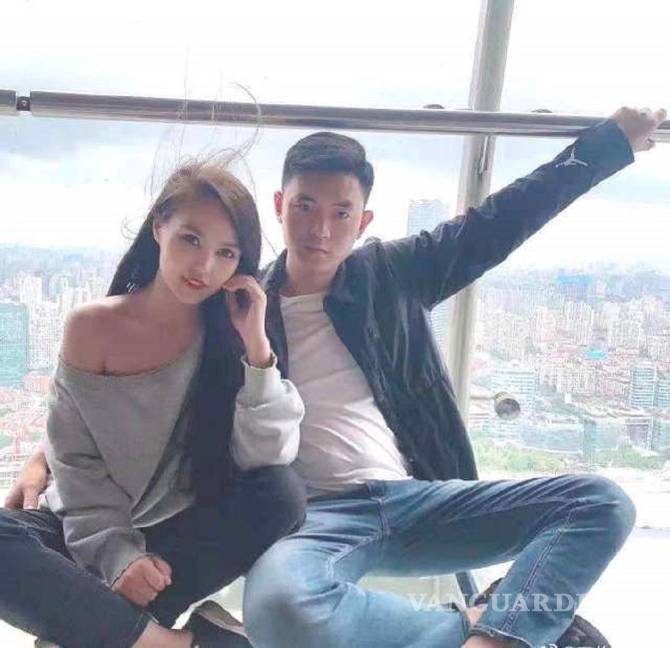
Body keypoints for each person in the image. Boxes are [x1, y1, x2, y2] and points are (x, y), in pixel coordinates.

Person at [9, 106, 665, 647]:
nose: (320, 229)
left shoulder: (392, 273)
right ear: (280, 205)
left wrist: (608, 145)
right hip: (314, 516)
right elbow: (131, 390)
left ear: (364, 220)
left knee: (604, 503)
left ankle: (499, 634)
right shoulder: (237, 308)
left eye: (341, 213)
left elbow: (503, 220)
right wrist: (45, 459)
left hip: (416, 499)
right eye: (304, 206)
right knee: (280, 607)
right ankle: (488, 627)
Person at [0, 160, 306, 648]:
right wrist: (119, 557)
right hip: (88, 528)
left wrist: (255, 347)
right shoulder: (92, 327)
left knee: (282, 493)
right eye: (191, 239)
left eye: (226, 253)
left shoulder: (231, 333)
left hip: (176, 541)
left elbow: (265, 459)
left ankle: (108, 630)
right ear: (159, 226)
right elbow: (76, 463)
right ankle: (174, 643)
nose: (204, 267)